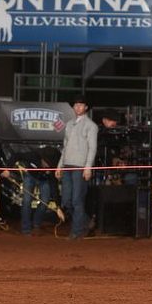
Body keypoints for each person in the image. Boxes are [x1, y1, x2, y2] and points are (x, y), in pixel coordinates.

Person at [57, 95, 98, 240]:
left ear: (86, 107)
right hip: (68, 165)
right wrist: (60, 166)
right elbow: (65, 146)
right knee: (67, 201)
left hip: (80, 167)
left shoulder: (91, 126)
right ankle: (86, 222)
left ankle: (76, 231)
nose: (78, 107)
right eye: (76, 105)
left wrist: (88, 167)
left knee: (76, 200)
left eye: (81, 105)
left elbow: (92, 148)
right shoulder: (69, 124)